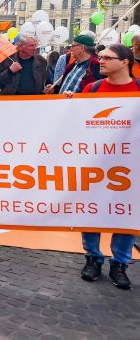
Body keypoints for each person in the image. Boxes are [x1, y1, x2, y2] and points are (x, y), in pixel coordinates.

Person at [66, 44, 139, 290]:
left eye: (107, 57)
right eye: (100, 57)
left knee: (127, 213)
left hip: (131, 166)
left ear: (125, 62)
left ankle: (120, 263)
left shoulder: (138, 89)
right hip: (96, 163)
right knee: (91, 210)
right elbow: (77, 122)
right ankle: (93, 258)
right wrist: (68, 104)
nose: (101, 61)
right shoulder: (93, 89)